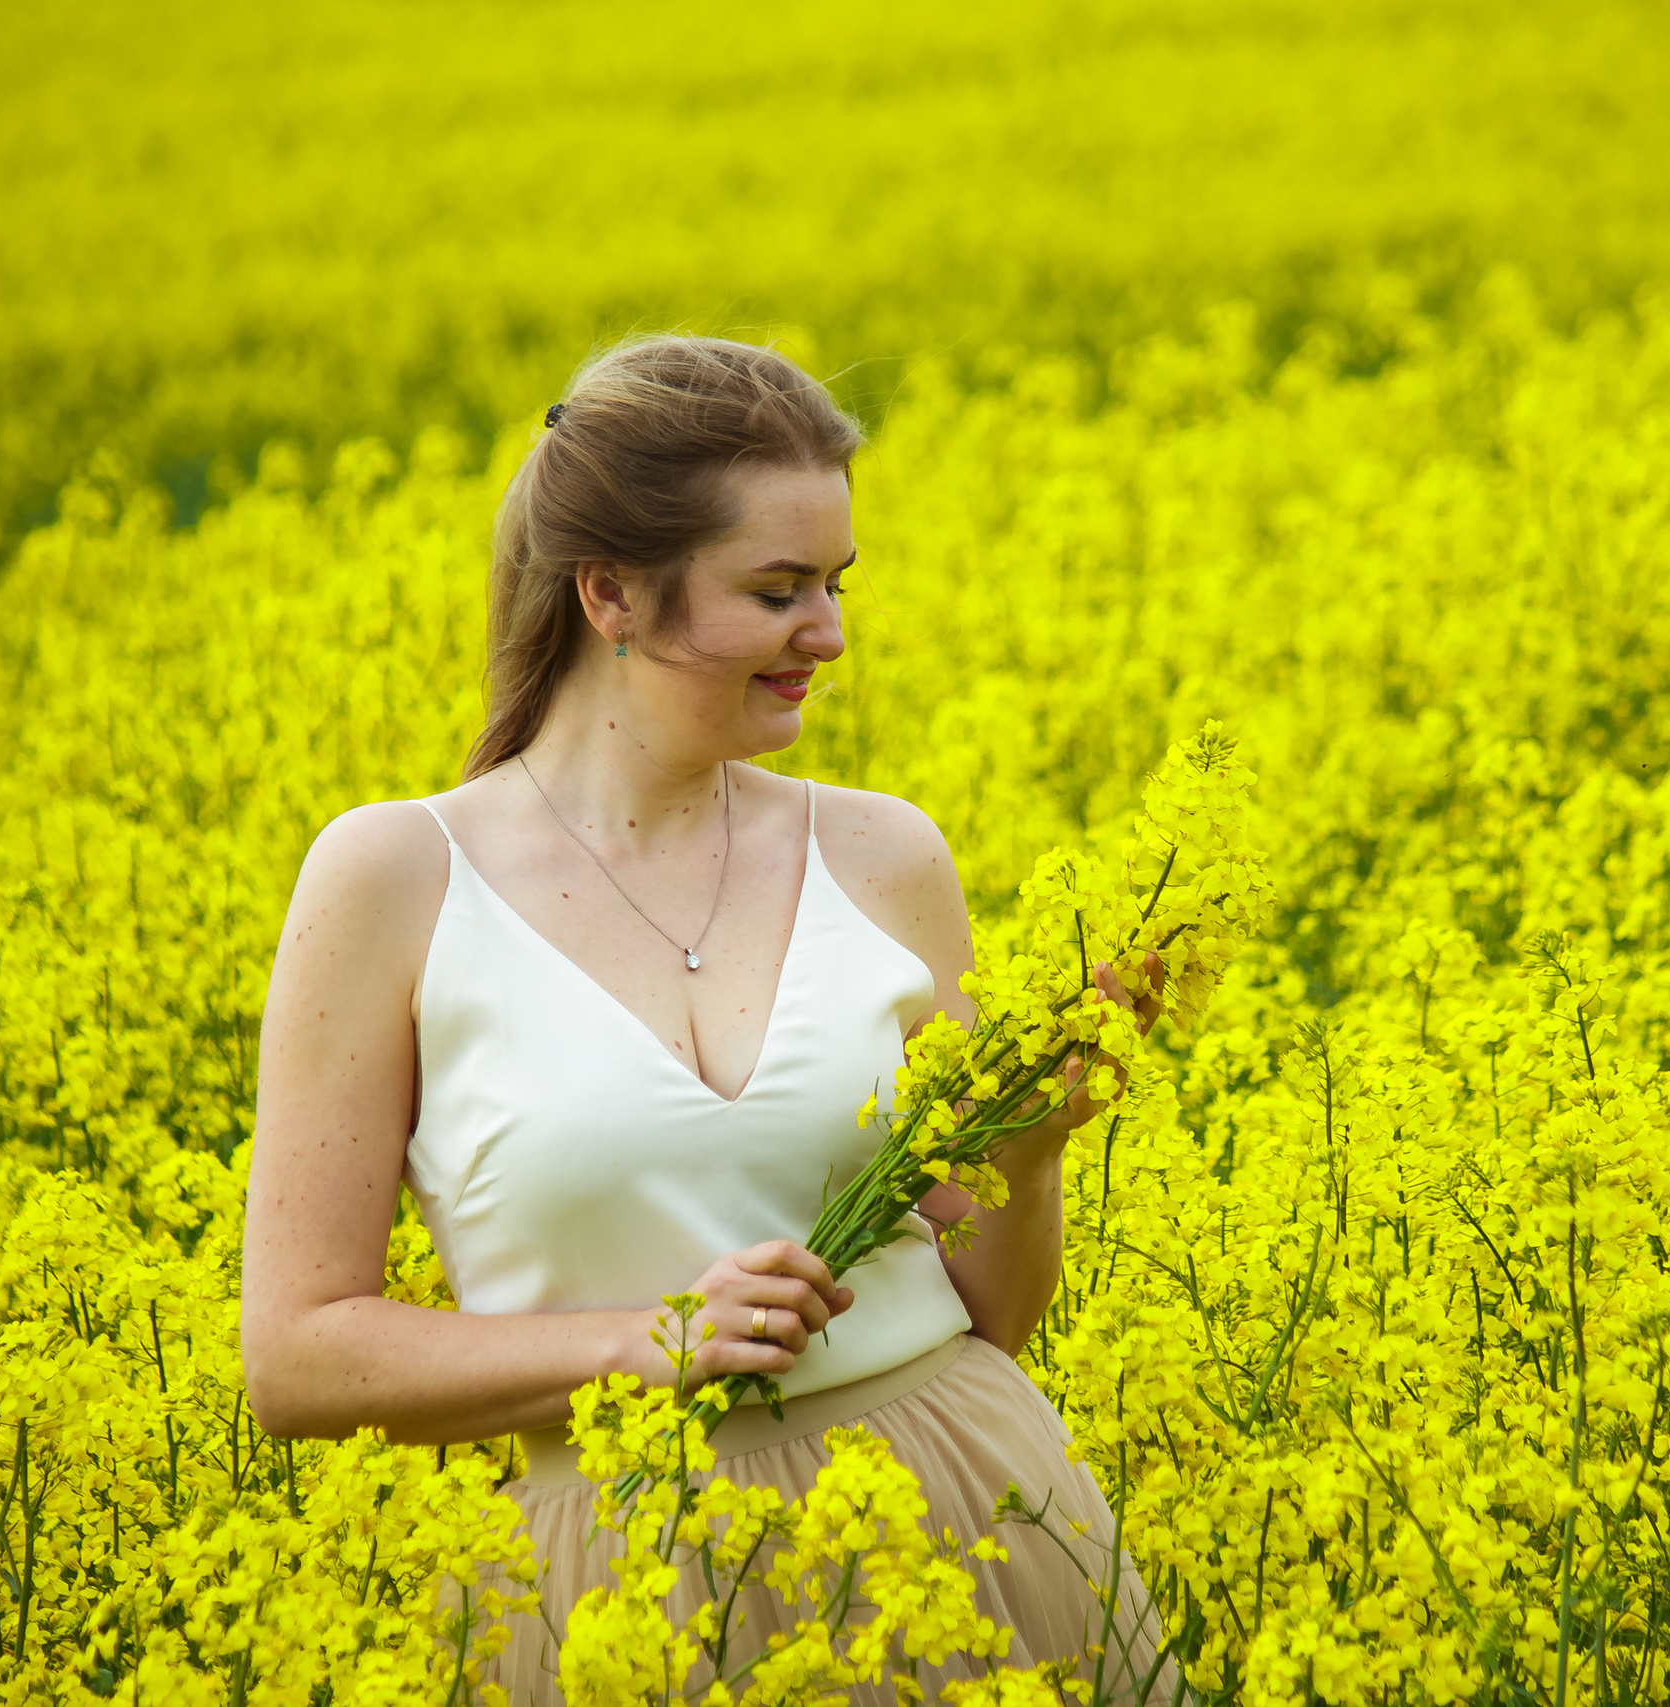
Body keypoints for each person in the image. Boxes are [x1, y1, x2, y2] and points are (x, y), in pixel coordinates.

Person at [239, 334, 1169, 1704]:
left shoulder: (887, 856)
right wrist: (647, 1344)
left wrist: (1030, 1156)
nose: (831, 635)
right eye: (779, 591)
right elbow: (299, 1357)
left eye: (838, 586)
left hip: (967, 1513)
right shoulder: (391, 878)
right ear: (611, 594)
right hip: (625, 1581)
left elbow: (994, 1315)